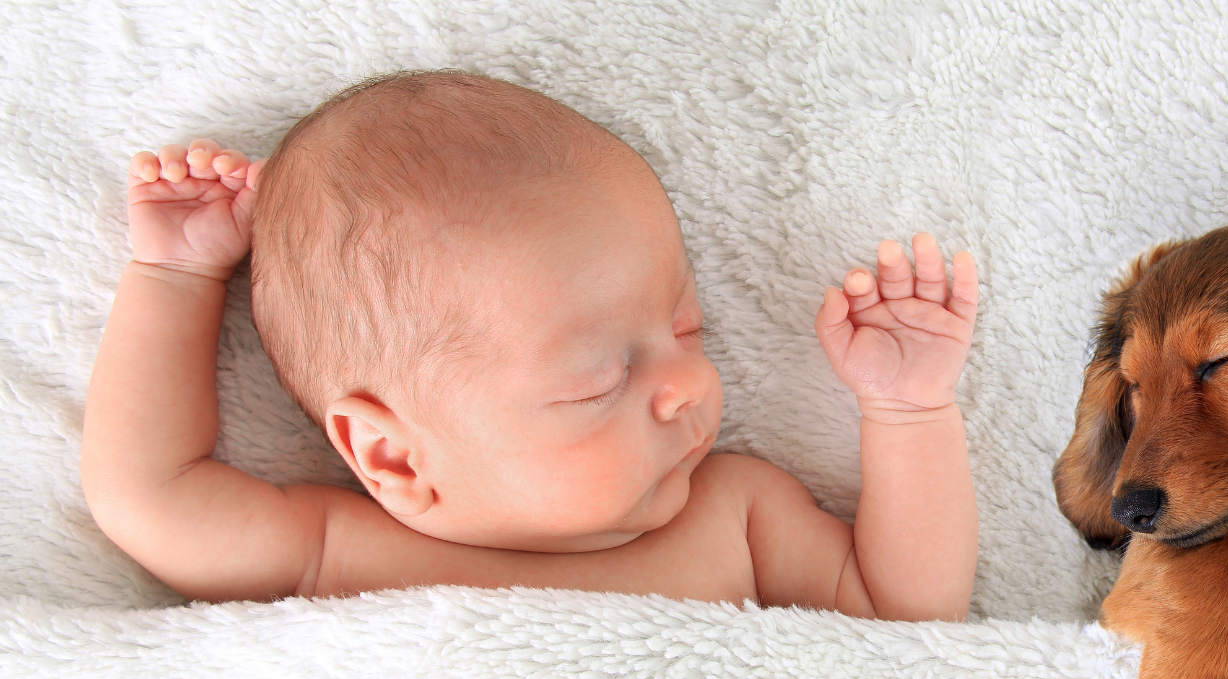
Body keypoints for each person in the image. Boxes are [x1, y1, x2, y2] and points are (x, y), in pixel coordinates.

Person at [81, 71, 979, 621]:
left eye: (682, 327)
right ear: (393, 453)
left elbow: (907, 609)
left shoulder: (737, 515)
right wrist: (174, 279)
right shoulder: (331, 551)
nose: (687, 385)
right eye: (599, 381)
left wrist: (907, 411)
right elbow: (148, 495)